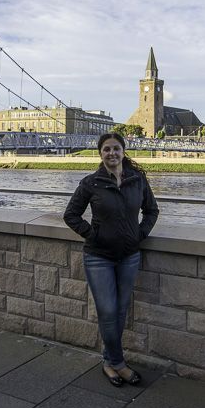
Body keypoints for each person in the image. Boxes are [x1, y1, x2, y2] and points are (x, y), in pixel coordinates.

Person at [63, 132, 159, 387]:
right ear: (100, 153)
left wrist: (139, 234)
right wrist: (94, 235)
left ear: (123, 151)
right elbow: (71, 215)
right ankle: (118, 363)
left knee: (120, 311)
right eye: (106, 149)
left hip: (129, 256)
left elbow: (152, 211)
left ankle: (109, 361)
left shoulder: (137, 180)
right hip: (98, 257)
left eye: (116, 149)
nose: (112, 154)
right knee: (107, 311)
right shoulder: (91, 183)